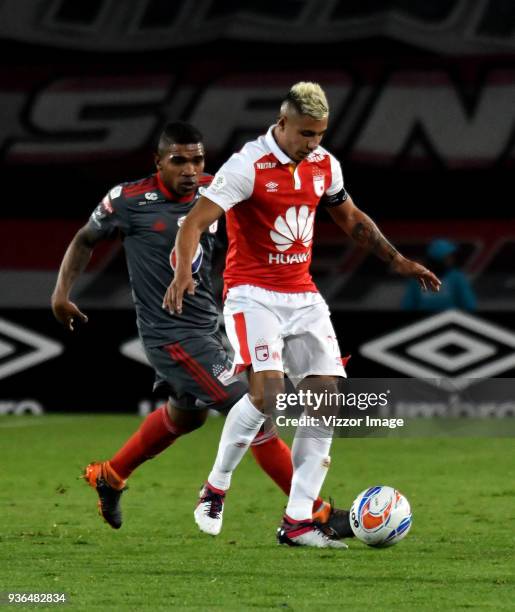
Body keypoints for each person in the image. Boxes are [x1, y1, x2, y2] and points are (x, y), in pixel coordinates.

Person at [163, 83, 441, 549]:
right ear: (282, 121)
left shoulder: (324, 165)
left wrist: (398, 261)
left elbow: (352, 219)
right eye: (306, 133)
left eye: (320, 134)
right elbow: (195, 221)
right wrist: (182, 274)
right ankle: (215, 487)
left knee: (326, 403)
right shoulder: (248, 164)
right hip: (252, 294)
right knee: (268, 392)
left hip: (303, 296)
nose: (313, 142)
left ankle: (297, 522)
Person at [51, 121, 348, 537]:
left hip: (208, 325)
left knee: (185, 416)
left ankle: (110, 474)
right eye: (179, 161)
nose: (190, 169)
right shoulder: (128, 200)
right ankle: (312, 513)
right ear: (158, 162)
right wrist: (61, 294)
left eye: (197, 159)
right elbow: (85, 238)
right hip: (170, 335)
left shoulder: (217, 189)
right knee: (257, 410)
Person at [402, 239, 476, 311]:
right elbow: (408, 305)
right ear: (438, 259)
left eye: (451, 256)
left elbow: (469, 304)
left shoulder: (457, 277)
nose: (452, 259)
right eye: (448, 257)